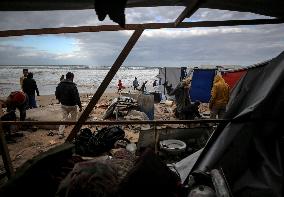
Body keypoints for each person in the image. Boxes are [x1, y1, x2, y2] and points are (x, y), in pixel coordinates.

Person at [55, 72, 82, 139]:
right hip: (72, 105)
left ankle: (61, 133)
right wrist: (80, 105)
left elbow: (56, 93)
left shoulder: (60, 84)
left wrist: (59, 99)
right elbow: (77, 97)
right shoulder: (73, 86)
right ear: (72, 77)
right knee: (74, 120)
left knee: (64, 119)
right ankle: (75, 133)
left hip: (63, 104)